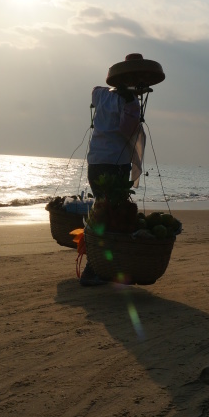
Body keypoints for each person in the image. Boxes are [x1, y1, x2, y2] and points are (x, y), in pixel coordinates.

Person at [79, 77, 145, 287]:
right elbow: (127, 131)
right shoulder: (130, 102)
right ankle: (95, 268)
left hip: (95, 161)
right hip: (115, 164)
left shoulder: (102, 94)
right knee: (111, 215)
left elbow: (94, 90)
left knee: (101, 208)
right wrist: (132, 105)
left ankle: (102, 266)